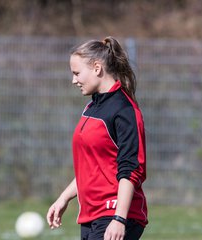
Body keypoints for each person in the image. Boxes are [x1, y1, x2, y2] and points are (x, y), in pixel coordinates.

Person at [47, 36, 148, 240]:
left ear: (96, 68)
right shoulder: (92, 107)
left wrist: (119, 219)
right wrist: (64, 198)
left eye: (77, 73)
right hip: (91, 215)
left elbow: (131, 169)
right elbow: (93, 167)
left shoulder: (124, 110)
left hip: (115, 215)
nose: (73, 80)